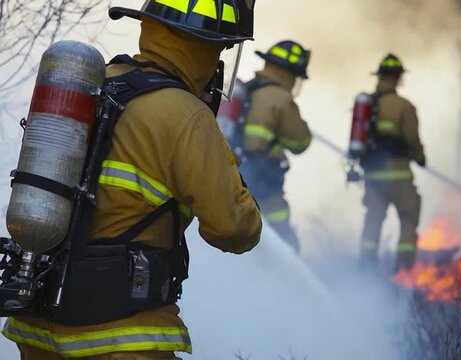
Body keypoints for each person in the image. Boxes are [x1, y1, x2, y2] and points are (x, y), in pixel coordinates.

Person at [2, 1, 262, 359]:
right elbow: (233, 229)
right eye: (222, 47)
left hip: (36, 329)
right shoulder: (185, 114)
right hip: (123, 337)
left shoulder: (94, 83)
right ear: (204, 45)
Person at [238, 40, 312, 253]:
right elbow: (300, 143)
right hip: (265, 182)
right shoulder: (281, 99)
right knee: (285, 240)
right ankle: (286, 283)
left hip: (237, 177)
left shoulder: (247, 88)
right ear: (289, 73)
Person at [358, 53, 426, 272]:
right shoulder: (404, 106)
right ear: (398, 77)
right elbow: (412, 140)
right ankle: (404, 270)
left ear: (379, 76)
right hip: (398, 176)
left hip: (372, 176)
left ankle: (366, 267)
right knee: (408, 217)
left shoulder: (366, 105)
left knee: (373, 220)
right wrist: (420, 157)